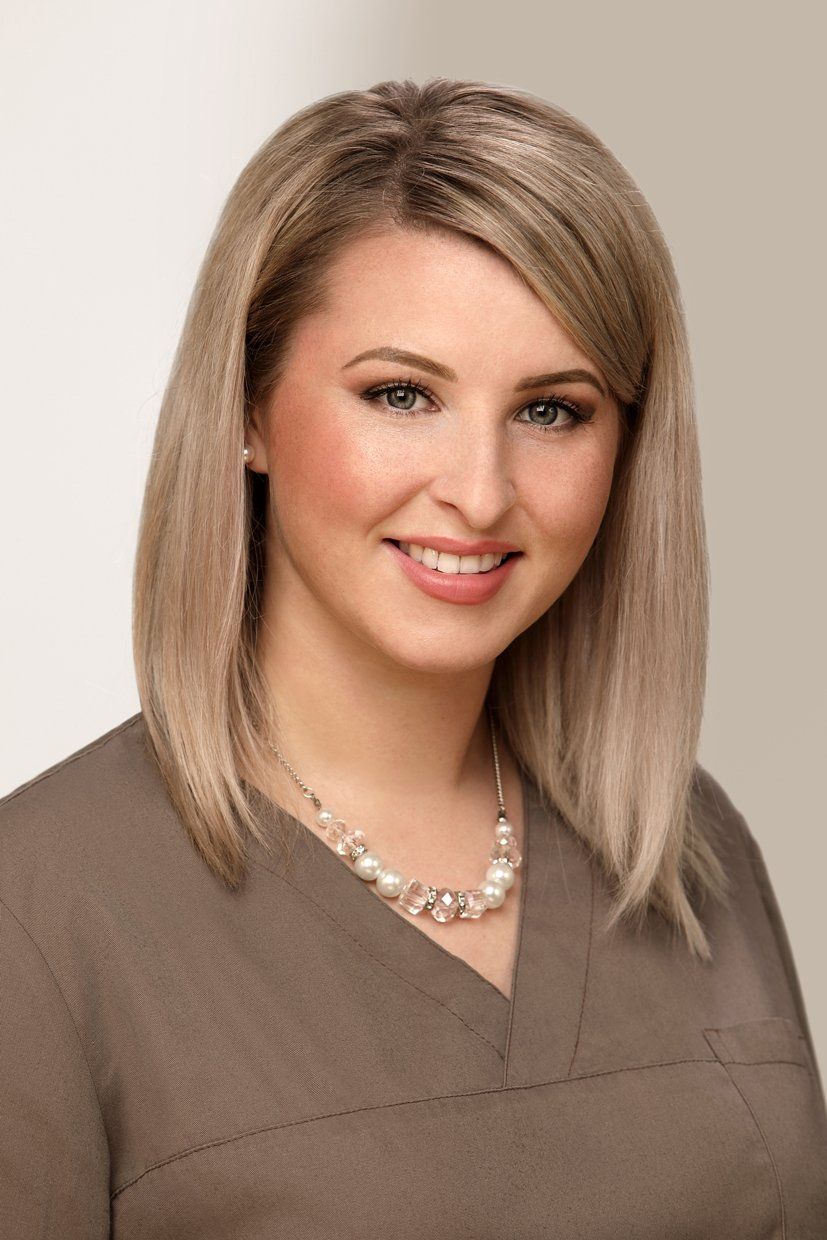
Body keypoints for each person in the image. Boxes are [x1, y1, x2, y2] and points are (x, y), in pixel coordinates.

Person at [2, 77, 825, 1238]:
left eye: (552, 410)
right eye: (401, 394)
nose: (478, 493)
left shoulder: (695, 854)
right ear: (244, 407)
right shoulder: (37, 914)